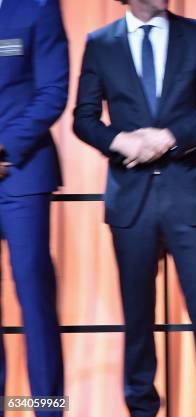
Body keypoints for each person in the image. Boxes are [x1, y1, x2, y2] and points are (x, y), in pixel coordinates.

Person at [73, 1, 196, 416]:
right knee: (138, 318)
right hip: (131, 199)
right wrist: (118, 142)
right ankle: (141, 409)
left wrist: (169, 137)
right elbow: (84, 117)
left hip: (190, 193)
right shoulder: (100, 43)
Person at [0, 0, 67, 415]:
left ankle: (45, 408)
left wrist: (6, 147)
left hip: (19, 172)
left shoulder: (37, 7)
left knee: (34, 298)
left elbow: (53, 90)